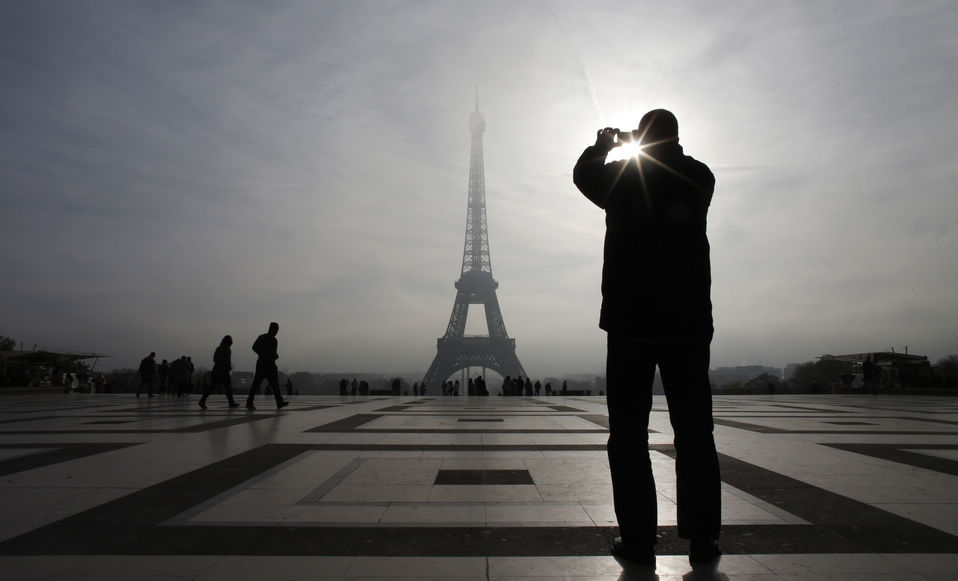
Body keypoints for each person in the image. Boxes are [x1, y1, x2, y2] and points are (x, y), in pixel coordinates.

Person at [573, 109, 721, 567]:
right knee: (695, 434)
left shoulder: (622, 177)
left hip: (631, 322)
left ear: (644, 136)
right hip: (687, 324)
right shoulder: (700, 176)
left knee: (629, 436)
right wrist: (650, 144)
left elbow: (583, 175)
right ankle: (702, 539)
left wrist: (608, 144)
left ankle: (638, 539)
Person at [246, 322, 289, 410]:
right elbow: (272, 353)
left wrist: (261, 354)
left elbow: (254, 347)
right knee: (274, 385)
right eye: (276, 329)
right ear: (274, 329)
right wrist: (273, 356)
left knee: (256, 384)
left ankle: (249, 402)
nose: (277, 331)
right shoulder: (273, 340)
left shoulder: (262, 337)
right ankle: (279, 402)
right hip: (270, 365)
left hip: (261, 364)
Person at [199, 335, 239, 409]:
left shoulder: (219, 348)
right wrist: (228, 366)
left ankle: (202, 400)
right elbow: (226, 360)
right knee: (227, 387)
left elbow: (215, 359)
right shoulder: (227, 349)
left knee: (213, 386)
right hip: (223, 371)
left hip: (216, 370)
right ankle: (231, 402)